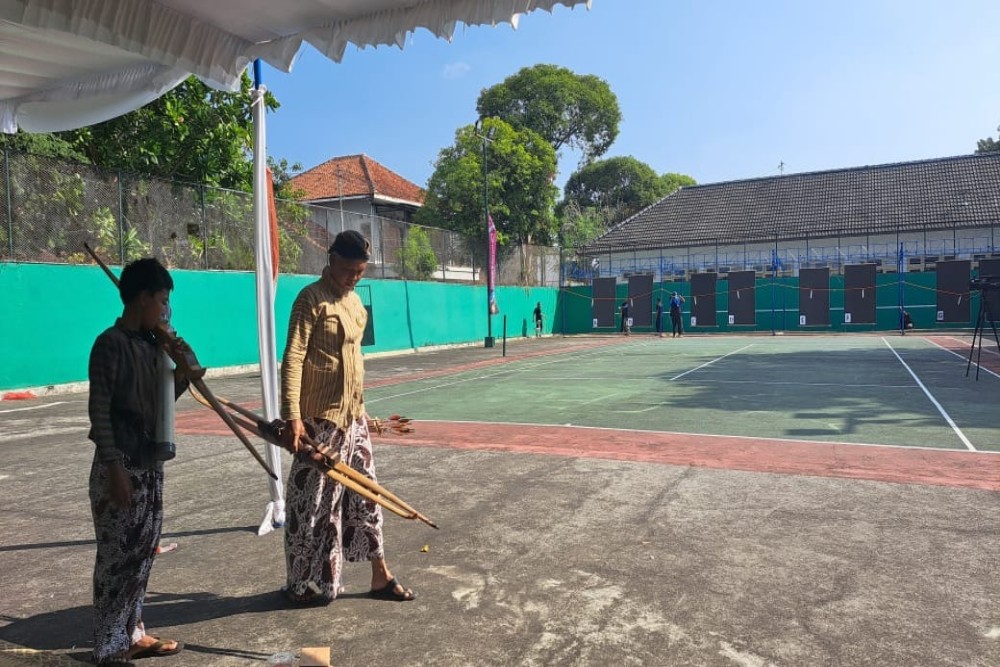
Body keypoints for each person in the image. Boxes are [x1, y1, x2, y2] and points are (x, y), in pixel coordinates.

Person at [280, 230, 415, 604]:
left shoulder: (356, 304)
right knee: (312, 507)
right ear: (331, 259)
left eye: (359, 271)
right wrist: (292, 416)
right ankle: (305, 583)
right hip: (318, 422)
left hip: (353, 420)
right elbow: (292, 358)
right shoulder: (310, 300)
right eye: (346, 270)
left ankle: (379, 575)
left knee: (367, 496)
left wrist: (363, 412)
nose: (352, 277)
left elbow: (354, 363)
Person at [87, 257, 187, 665]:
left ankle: (133, 632)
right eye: (161, 301)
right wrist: (115, 471)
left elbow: (164, 402)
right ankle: (109, 646)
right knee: (117, 559)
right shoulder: (110, 344)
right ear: (142, 299)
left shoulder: (150, 346)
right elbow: (100, 412)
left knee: (143, 553)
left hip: (150, 465)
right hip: (121, 466)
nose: (164, 310)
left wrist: (181, 363)